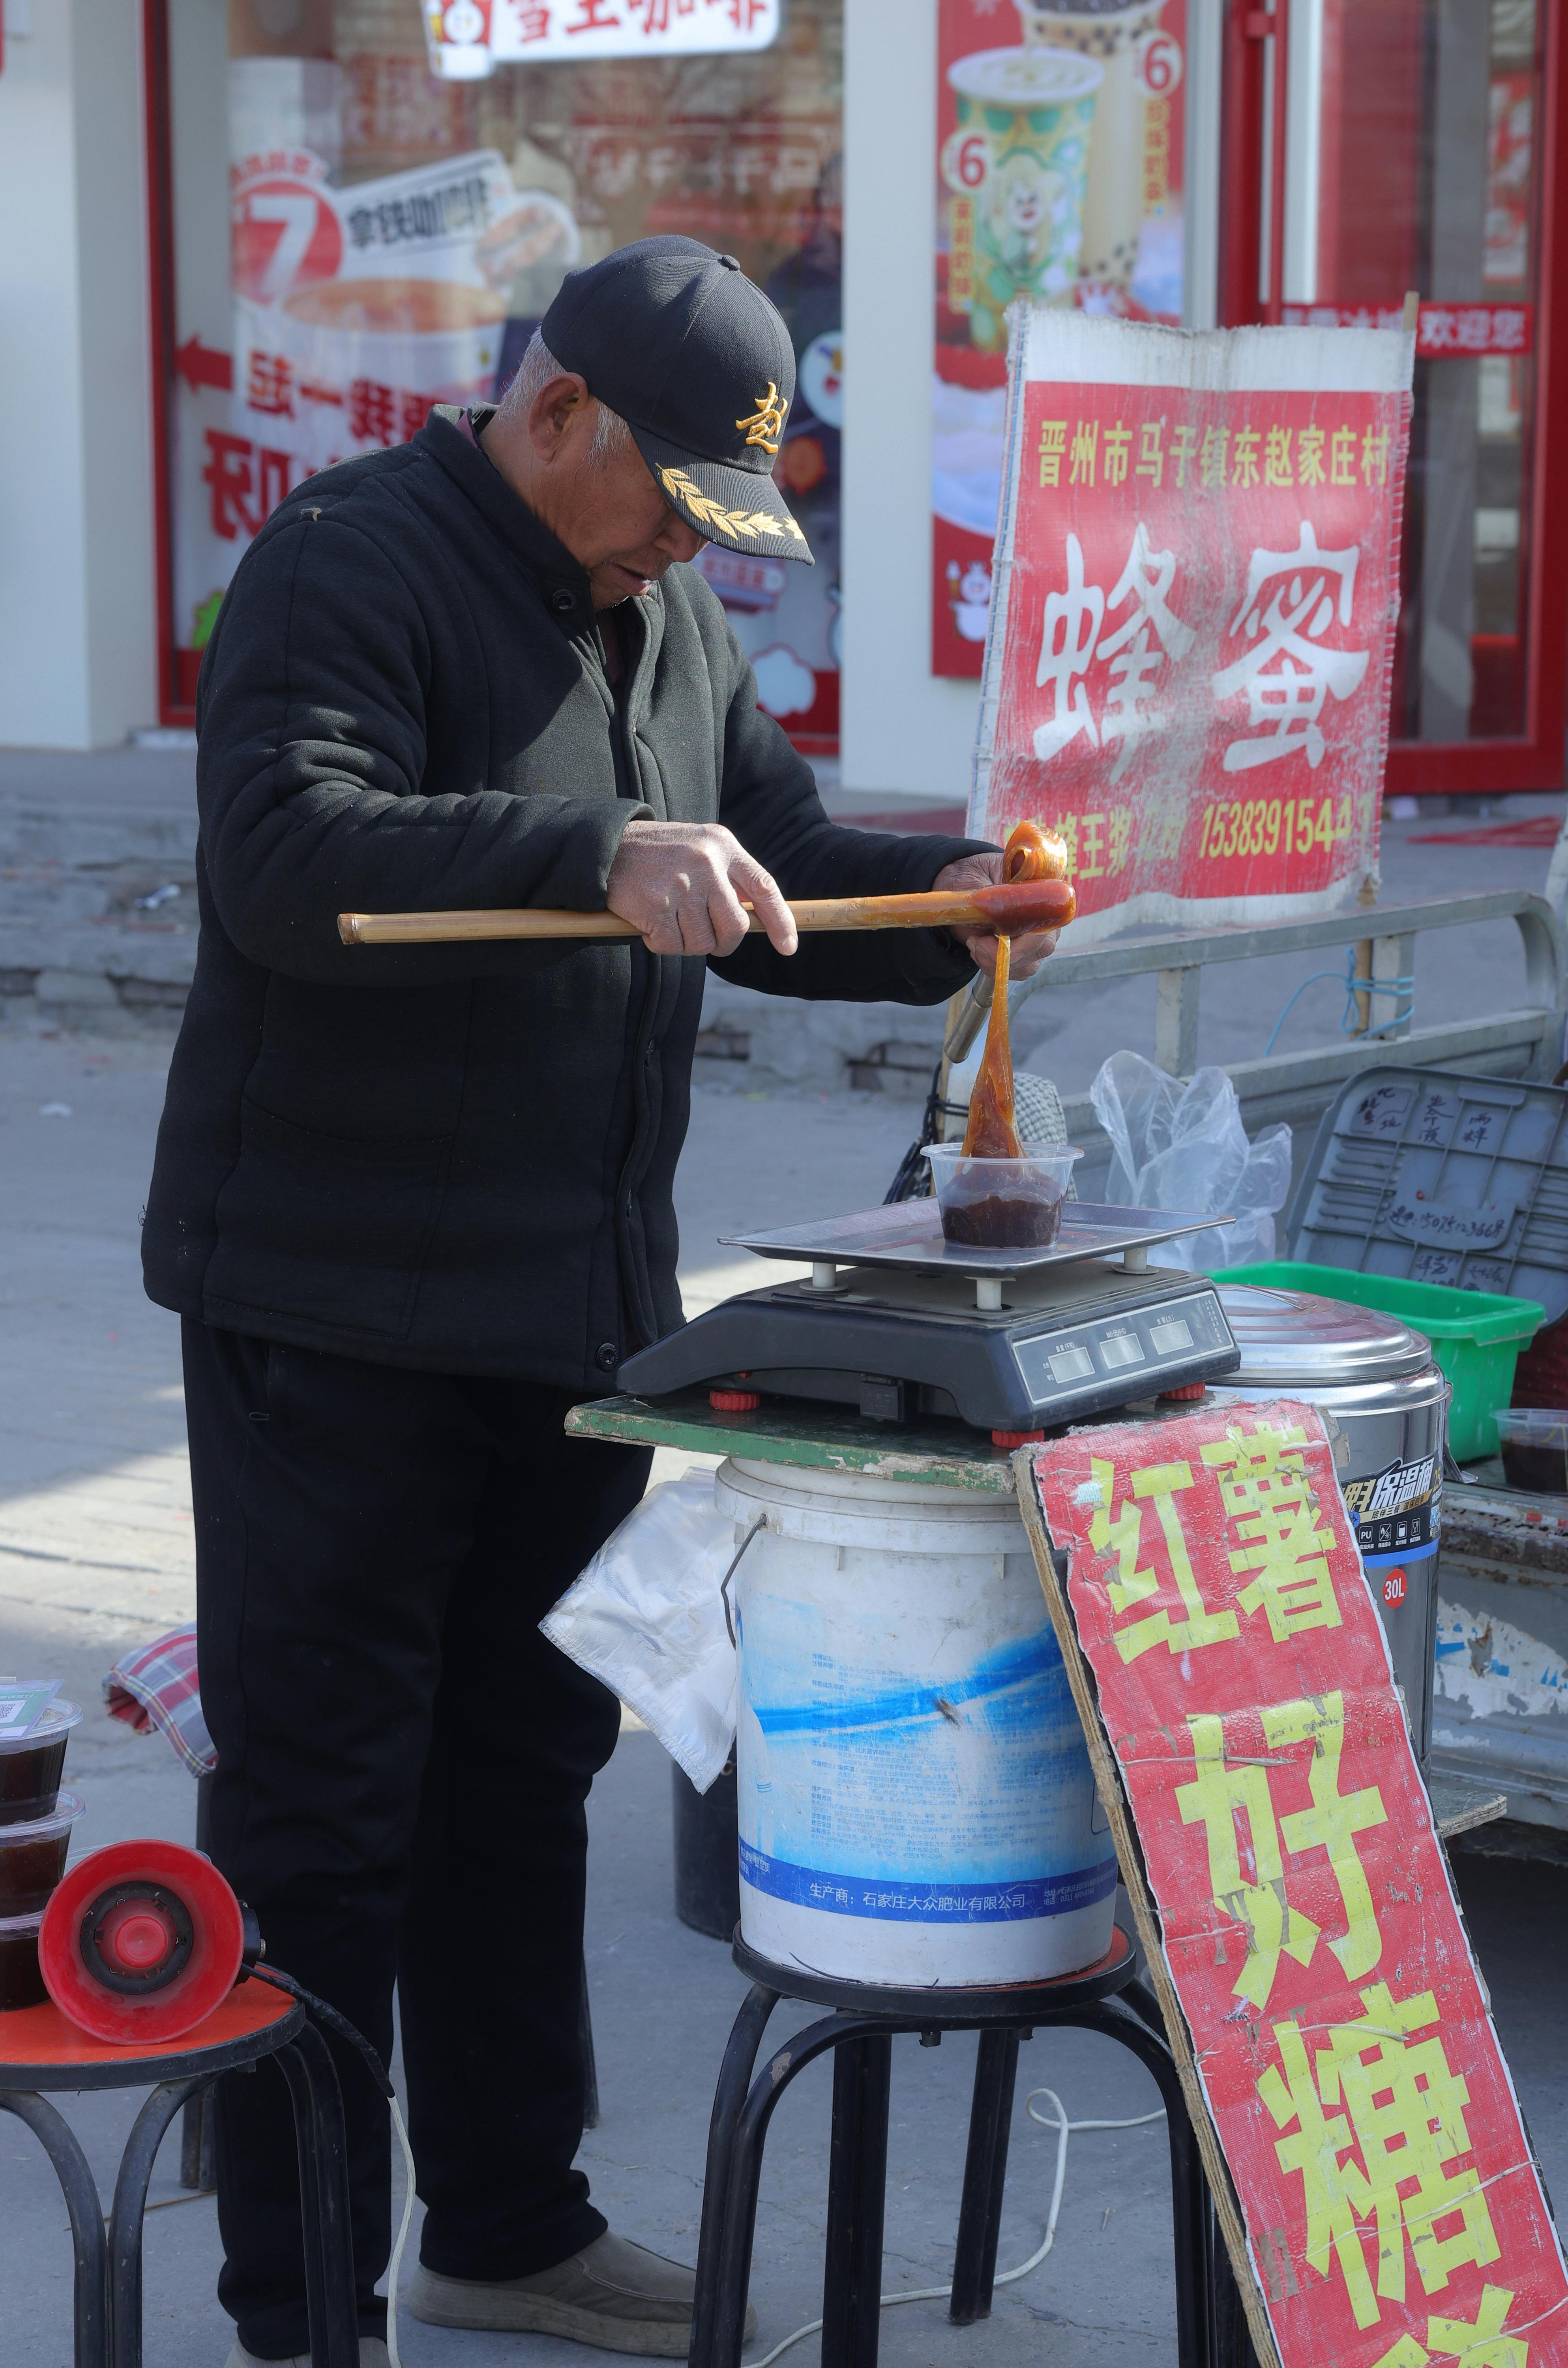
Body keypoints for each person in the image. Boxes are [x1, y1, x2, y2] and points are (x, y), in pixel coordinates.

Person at [142, 235, 1061, 2368]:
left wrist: (958, 906)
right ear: (557, 417)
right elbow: (291, 859)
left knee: (519, 1776)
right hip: (332, 1314)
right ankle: (299, 2310)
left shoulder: (659, 620)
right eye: (668, 499)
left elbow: (779, 871)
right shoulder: (345, 564)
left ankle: (511, 2223)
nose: (683, 553)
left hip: (566, 1315)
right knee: (324, 1813)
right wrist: (594, 861)